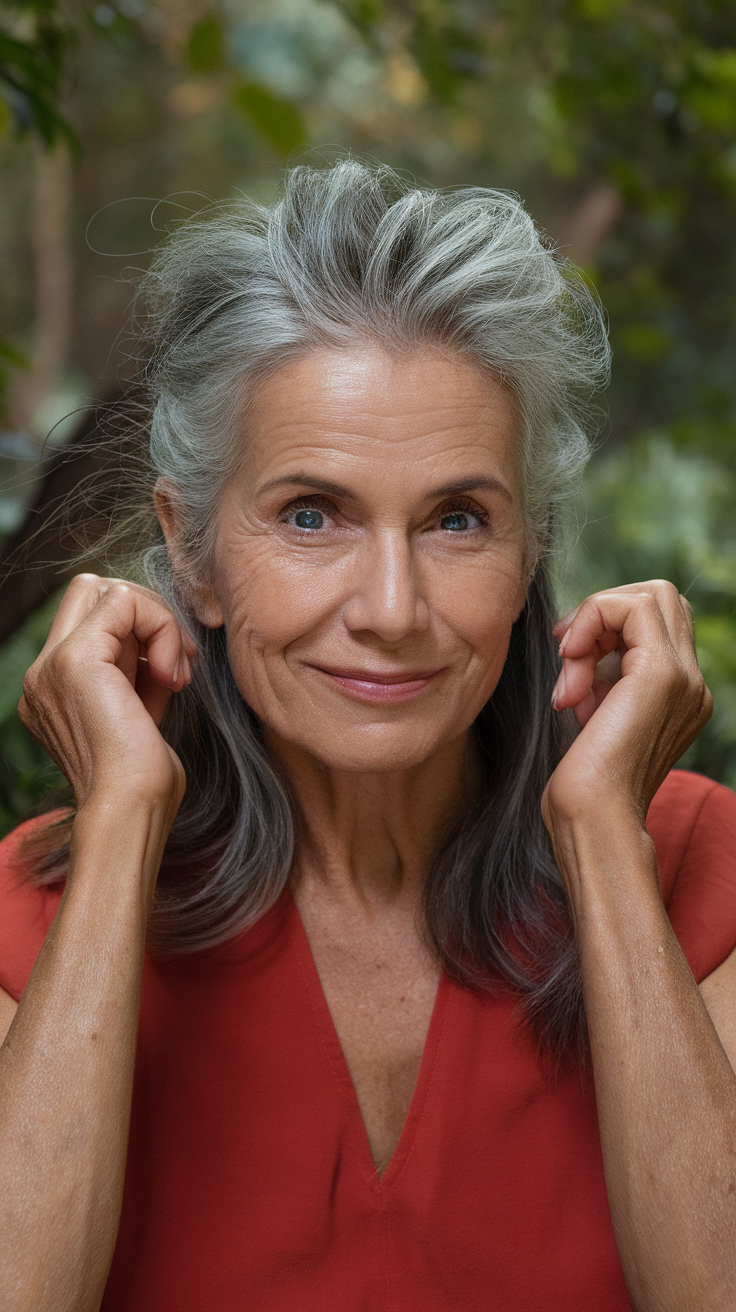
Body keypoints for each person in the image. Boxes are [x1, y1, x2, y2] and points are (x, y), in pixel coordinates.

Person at [1, 160, 735, 1312]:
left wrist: (600, 837)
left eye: (456, 518)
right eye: (310, 515)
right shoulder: (35, 913)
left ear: (529, 547)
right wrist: (122, 824)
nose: (390, 609)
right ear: (189, 548)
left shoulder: (701, 874)